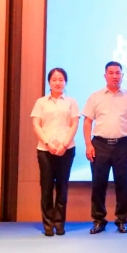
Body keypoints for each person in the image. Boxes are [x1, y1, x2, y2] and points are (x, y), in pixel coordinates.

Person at [82, 61, 127, 235]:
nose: (115, 76)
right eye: (111, 73)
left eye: (118, 73)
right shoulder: (95, 97)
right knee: (98, 184)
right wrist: (88, 144)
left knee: (123, 184)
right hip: (99, 145)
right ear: (105, 75)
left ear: (122, 76)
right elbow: (87, 121)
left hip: (123, 145)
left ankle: (122, 220)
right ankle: (98, 220)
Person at [30, 67, 80, 237]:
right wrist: (47, 143)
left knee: (62, 187)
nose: (58, 83)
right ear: (49, 82)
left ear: (65, 82)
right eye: (54, 80)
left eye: (61, 79)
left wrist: (64, 145)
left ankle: (59, 224)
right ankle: (48, 224)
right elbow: (36, 125)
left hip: (66, 150)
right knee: (46, 187)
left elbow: (74, 124)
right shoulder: (41, 102)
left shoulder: (71, 102)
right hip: (45, 150)